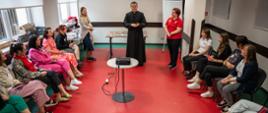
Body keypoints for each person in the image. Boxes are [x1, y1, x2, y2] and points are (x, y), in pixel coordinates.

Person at [217, 44, 259, 112]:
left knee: (225, 89)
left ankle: (230, 104)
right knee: (219, 83)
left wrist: (229, 80)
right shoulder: (242, 59)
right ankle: (226, 99)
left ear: (249, 53)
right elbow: (234, 70)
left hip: (245, 83)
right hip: (237, 78)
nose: (241, 50)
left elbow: (244, 78)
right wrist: (227, 77)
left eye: (244, 50)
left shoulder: (252, 64)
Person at [123, 1, 147, 66]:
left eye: (135, 6)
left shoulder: (141, 14)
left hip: (139, 33)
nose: (134, 7)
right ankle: (131, 61)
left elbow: (145, 23)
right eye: (132, 6)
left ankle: (140, 61)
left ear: (137, 6)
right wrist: (131, 24)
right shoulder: (127, 14)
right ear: (130, 7)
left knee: (139, 47)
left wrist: (139, 24)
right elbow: (124, 23)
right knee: (131, 47)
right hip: (131, 34)